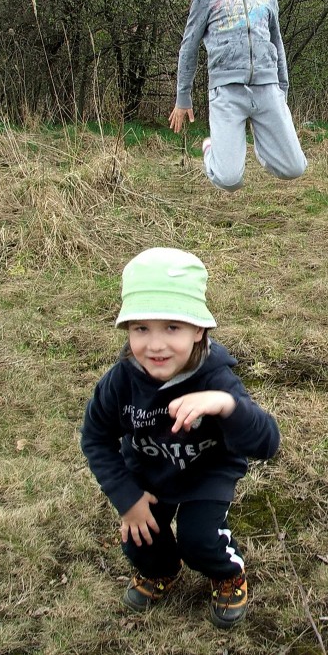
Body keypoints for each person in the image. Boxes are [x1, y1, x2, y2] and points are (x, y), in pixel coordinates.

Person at [80, 247, 280, 628]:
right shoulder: (120, 382)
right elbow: (95, 439)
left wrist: (225, 405)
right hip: (148, 475)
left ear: (199, 329)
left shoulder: (216, 380)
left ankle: (227, 574)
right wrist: (127, 498)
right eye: (141, 328)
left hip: (207, 474)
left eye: (172, 327)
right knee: (138, 539)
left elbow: (267, 443)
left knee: (199, 538)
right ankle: (161, 571)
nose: (155, 345)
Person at [167, 0, 307, 191]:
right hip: (227, 93)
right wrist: (182, 97)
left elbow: (277, 44)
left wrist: (282, 88)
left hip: (267, 89)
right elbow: (189, 47)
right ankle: (211, 150)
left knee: (295, 168)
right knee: (228, 180)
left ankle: (262, 147)